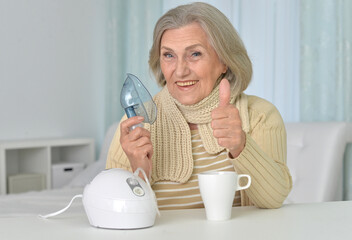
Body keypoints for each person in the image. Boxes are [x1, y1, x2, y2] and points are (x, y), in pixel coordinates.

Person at [106, 2, 292, 210]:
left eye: (195, 54)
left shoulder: (259, 116)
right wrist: (139, 172)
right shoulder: (136, 124)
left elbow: (273, 200)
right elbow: (113, 209)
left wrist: (241, 146)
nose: (180, 71)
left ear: (224, 61)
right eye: (169, 55)